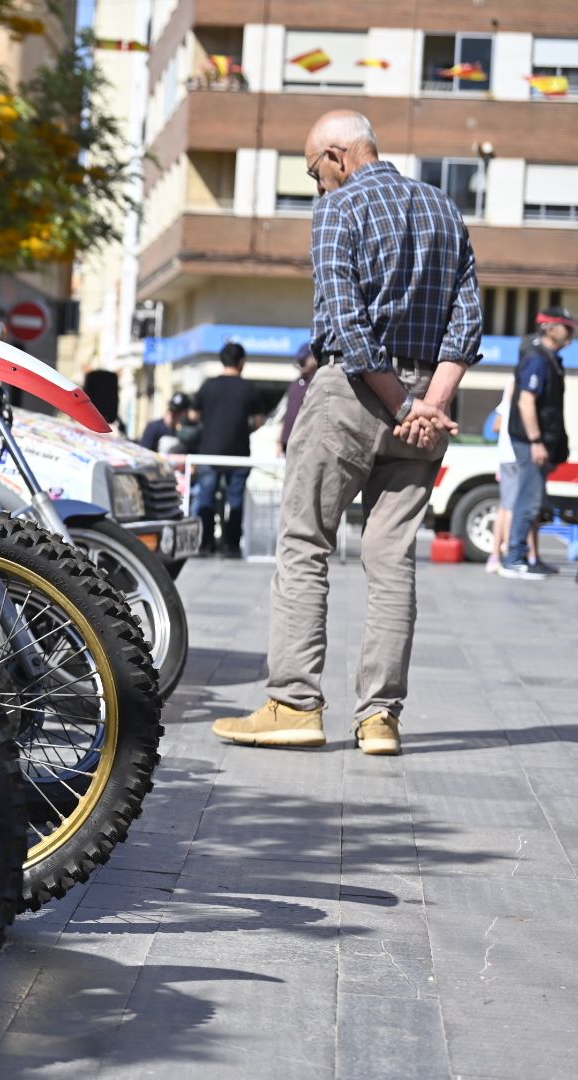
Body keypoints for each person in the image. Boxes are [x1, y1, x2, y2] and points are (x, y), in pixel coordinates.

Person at [213, 109, 476, 756]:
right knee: (392, 560)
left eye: (311, 172)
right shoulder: (444, 207)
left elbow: (346, 323)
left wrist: (399, 402)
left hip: (356, 394)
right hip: (426, 407)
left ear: (336, 156)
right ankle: (380, 718)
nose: (316, 185)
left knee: (304, 542)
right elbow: (467, 315)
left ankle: (294, 703)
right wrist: (429, 402)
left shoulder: (339, 209)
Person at [500, 307, 573, 579]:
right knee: (528, 501)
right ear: (550, 328)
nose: (572, 331)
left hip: (540, 443)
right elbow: (526, 401)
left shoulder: (550, 359)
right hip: (530, 443)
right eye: (567, 326)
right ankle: (514, 559)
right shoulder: (537, 359)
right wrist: (536, 441)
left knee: (533, 501)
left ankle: (529, 557)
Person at [190, 342, 262, 556]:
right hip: (238, 454)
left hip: (209, 451)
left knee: (206, 499)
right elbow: (258, 421)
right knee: (236, 499)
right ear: (241, 362)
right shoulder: (249, 388)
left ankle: (205, 544)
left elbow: (193, 415)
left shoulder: (208, 385)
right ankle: (231, 545)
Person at [484, 385, 539, 573]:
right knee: (514, 507)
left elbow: (495, 426)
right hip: (517, 456)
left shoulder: (506, 403)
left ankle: (499, 555)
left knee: (505, 506)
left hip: (505, 457)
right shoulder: (524, 401)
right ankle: (512, 555)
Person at [278, 342, 318, 456]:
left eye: (304, 359)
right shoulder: (295, 383)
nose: (302, 363)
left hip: (306, 442)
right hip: (288, 441)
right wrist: (280, 441)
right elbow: (287, 414)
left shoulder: (318, 383)